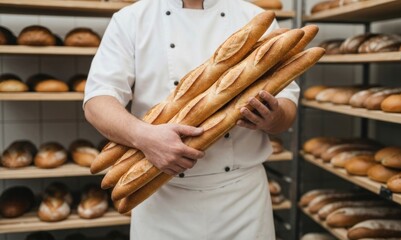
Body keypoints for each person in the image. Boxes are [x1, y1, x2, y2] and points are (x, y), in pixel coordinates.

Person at [84, 0, 300, 239]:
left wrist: (272, 117)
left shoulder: (255, 17)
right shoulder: (131, 19)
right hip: (161, 196)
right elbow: (97, 102)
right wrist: (144, 137)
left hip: (242, 199)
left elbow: (287, 112)